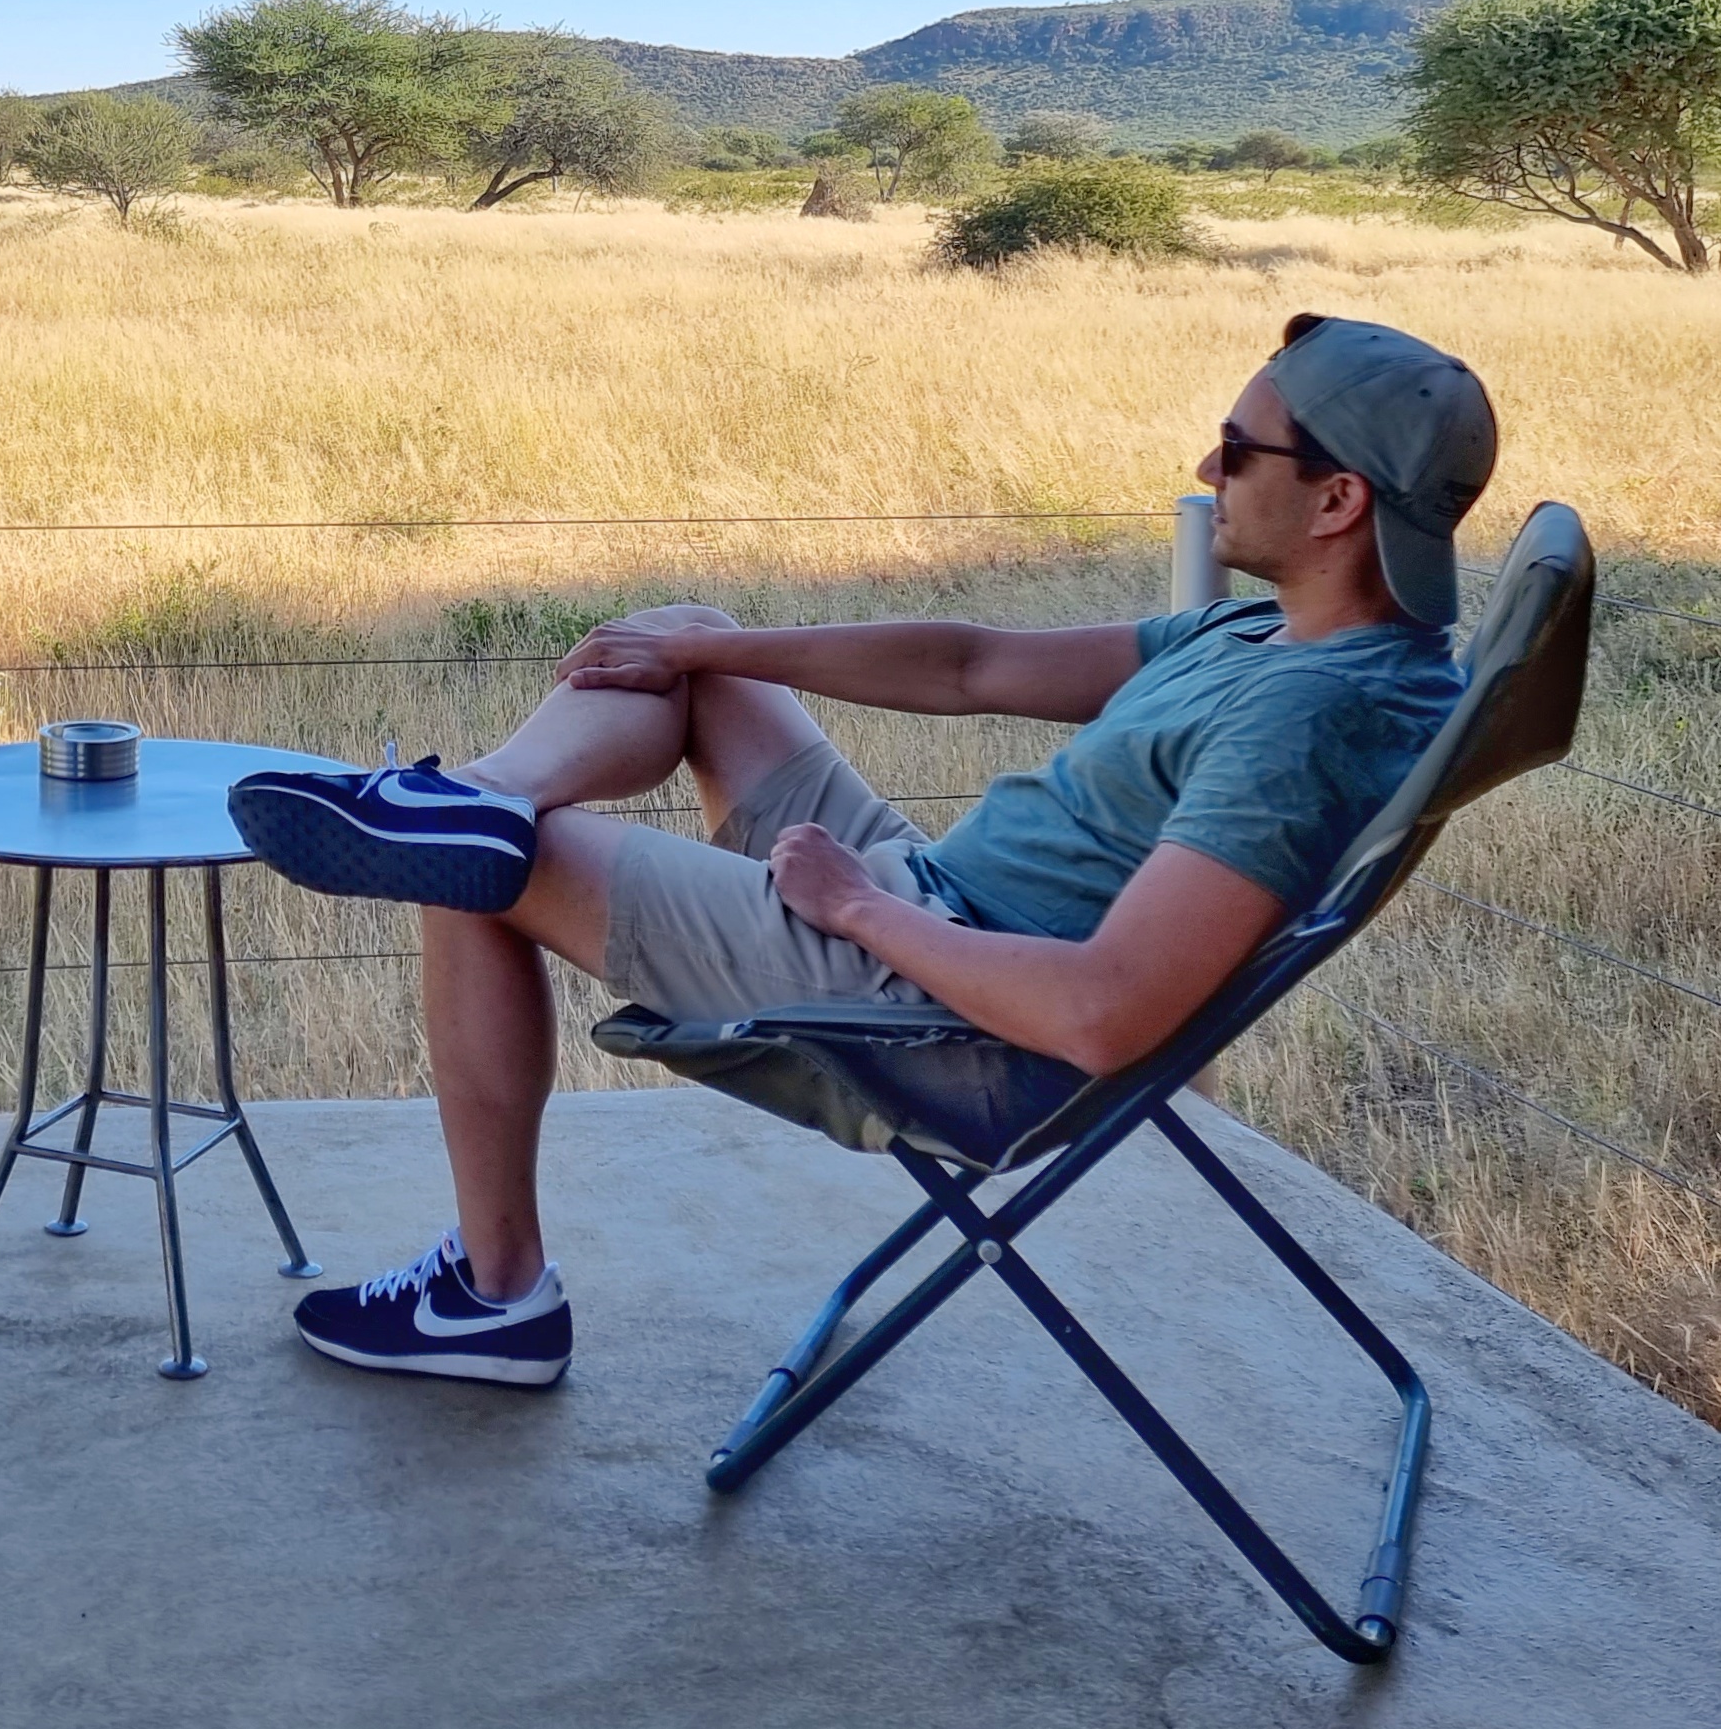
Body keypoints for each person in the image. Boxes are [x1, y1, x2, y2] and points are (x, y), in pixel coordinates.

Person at [226, 314, 1496, 1389]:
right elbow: (973, 664)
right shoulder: (1264, 641)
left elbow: (1104, 1017)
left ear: (1337, 501)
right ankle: (487, 797)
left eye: (1236, 449)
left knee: (466, 871)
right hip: (927, 908)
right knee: (690, 637)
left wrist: (855, 910)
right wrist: (711, 658)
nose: (1204, 465)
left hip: (942, 1014)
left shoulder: (1309, 720)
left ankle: (492, 1292)